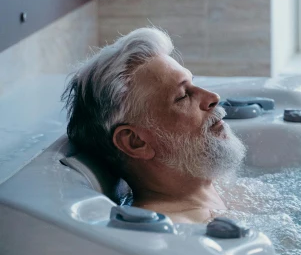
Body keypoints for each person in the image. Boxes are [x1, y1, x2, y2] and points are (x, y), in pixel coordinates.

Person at [62, 27, 246, 224]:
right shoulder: (179, 232)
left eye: (193, 83)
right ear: (136, 142)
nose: (213, 97)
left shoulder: (211, 185)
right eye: (183, 96)